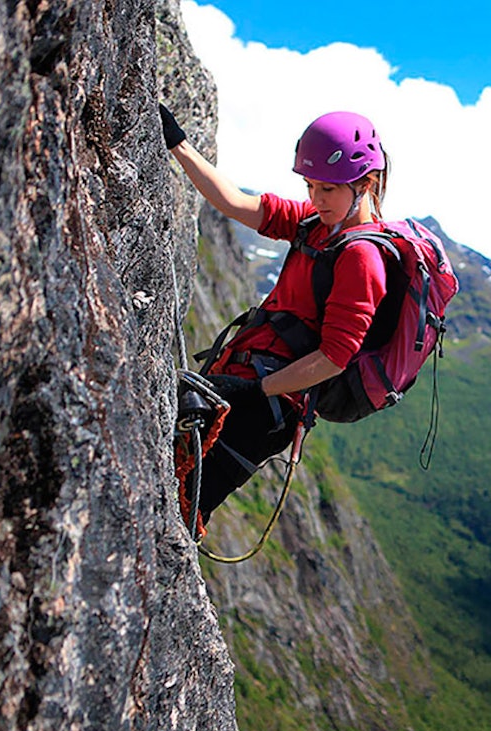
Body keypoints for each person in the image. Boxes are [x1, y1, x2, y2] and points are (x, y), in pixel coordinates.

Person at [160, 104, 391, 519]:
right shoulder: (312, 223)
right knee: (169, 485)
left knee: (182, 506)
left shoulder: (362, 258)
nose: (315, 198)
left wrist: (250, 392)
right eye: (310, 185)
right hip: (241, 383)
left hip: (267, 408)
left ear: (365, 184)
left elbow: (333, 358)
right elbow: (234, 204)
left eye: (328, 189)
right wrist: (178, 145)